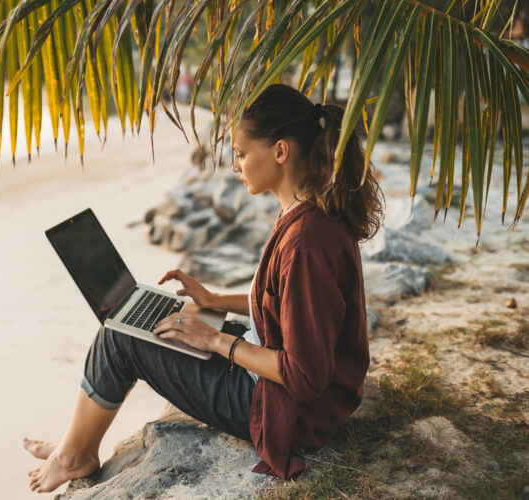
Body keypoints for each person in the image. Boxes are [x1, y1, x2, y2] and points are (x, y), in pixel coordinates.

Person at [24, 83, 384, 493]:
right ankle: (75, 443)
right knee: (146, 320)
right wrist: (213, 301)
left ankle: (74, 456)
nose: (235, 165)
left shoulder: (305, 242)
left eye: (242, 154)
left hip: (286, 412)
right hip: (288, 392)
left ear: (280, 152)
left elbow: (304, 376)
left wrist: (214, 339)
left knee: (119, 335)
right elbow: (285, 307)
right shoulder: (308, 215)